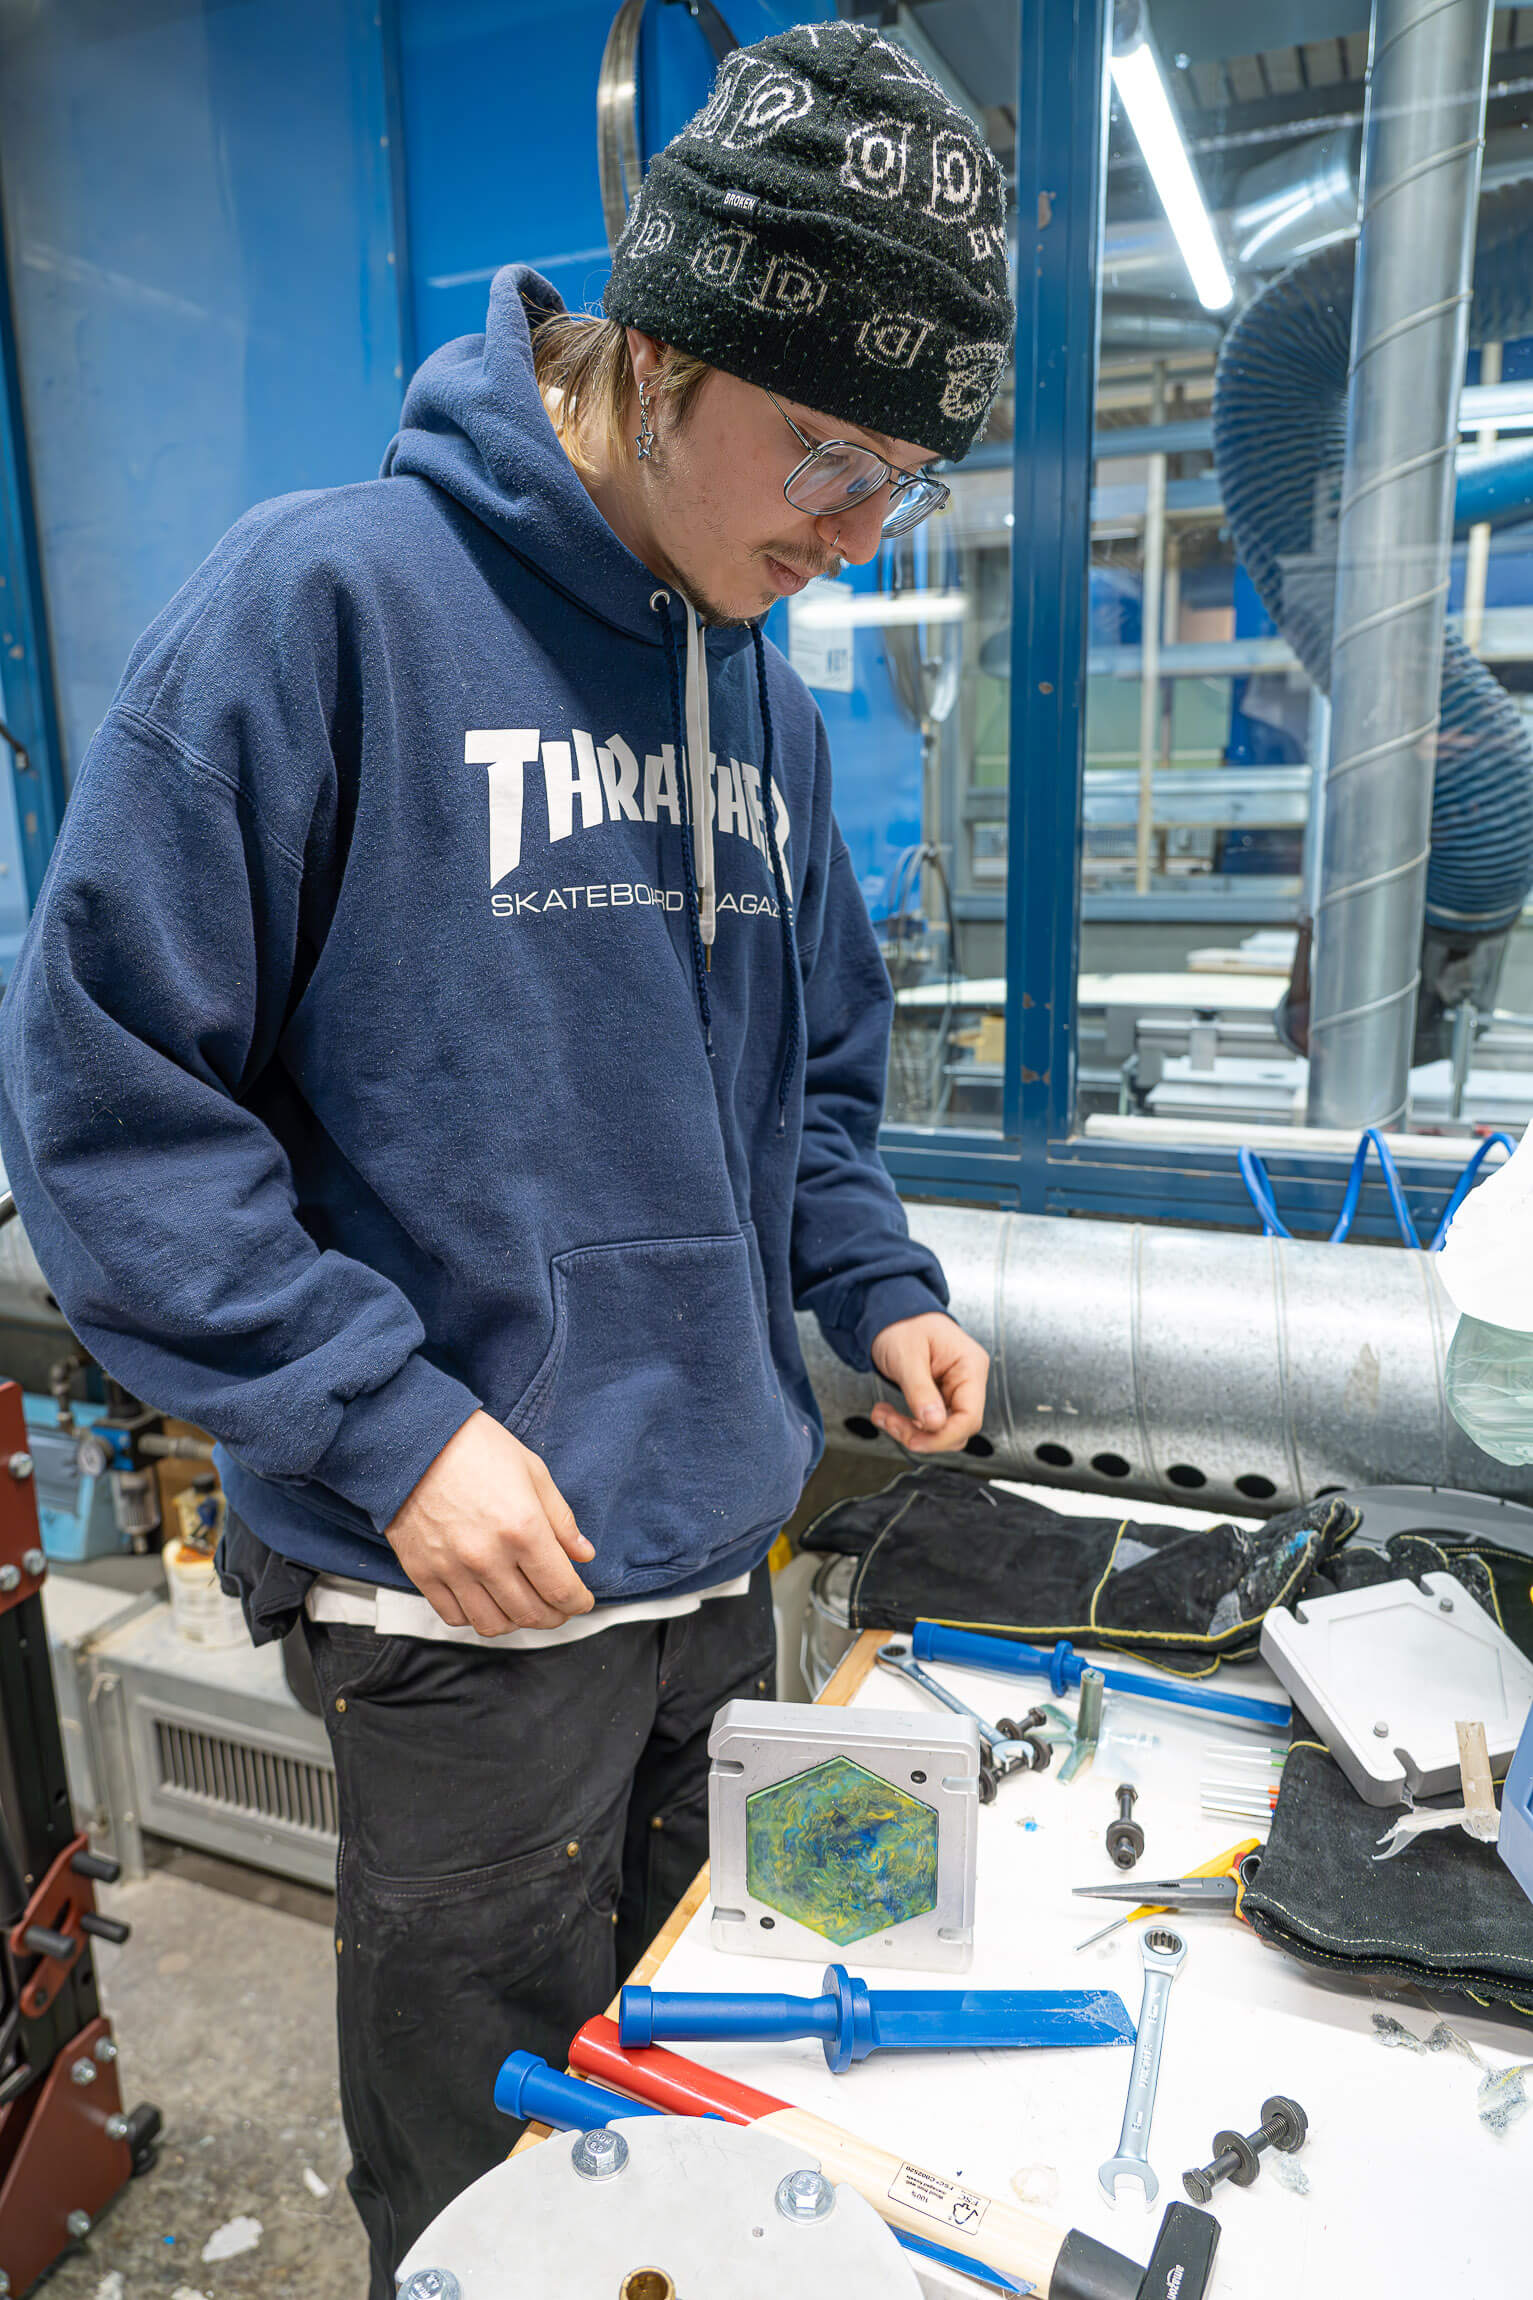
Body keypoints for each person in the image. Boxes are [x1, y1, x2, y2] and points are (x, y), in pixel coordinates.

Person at [0, 20, 1012, 2291]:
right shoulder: (322, 611)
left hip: (712, 1572)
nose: (855, 532)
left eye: (904, 482)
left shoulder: (763, 701)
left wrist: (868, 1280)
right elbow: (101, 1104)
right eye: (823, 454)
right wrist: (389, 1424)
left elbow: (806, 1078)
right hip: (458, 1614)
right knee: (489, 2199)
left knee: (707, 2138)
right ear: (655, 357)